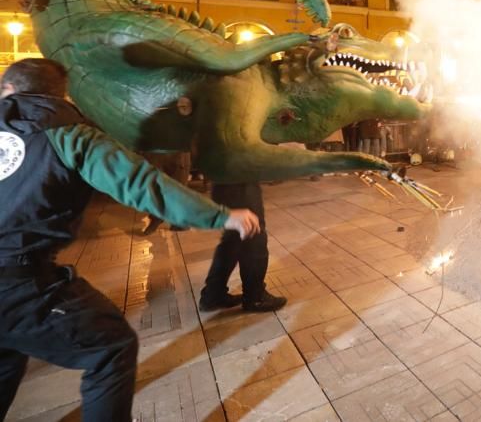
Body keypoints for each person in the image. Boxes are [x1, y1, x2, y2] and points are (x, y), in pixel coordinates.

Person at [0, 58, 259, 421]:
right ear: (60, 94)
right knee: (111, 347)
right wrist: (220, 215)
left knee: (6, 356)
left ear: (7, 89)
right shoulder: (69, 134)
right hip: (18, 277)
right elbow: (141, 184)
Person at [198, 182, 286, 313]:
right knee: (253, 232)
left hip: (225, 181)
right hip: (240, 181)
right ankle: (255, 297)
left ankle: (213, 295)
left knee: (233, 238)